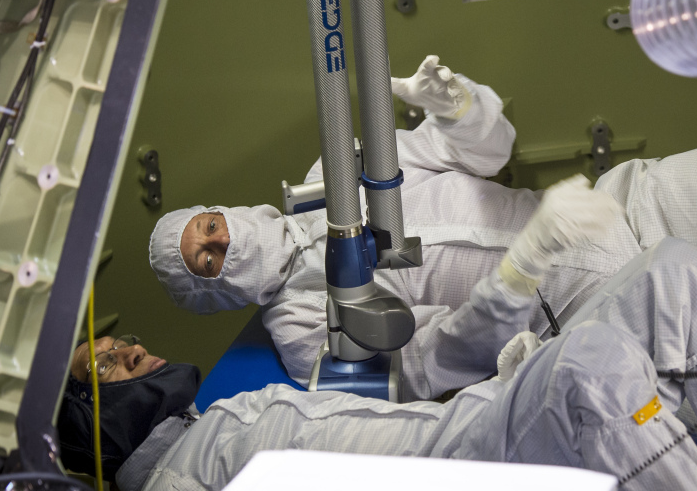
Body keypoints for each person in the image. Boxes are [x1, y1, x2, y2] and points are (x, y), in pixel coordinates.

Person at [60, 238, 697, 491]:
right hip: (471, 487)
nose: (130, 349)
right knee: (589, 371)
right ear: (96, 419)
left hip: (471, 420)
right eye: (109, 367)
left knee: (670, 273)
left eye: (118, 345)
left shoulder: (216, 417)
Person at [150, 56, 641, 401]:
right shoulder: (300, 330)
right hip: (583, 309)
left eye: (211, 226)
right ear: (213, 297)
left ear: (224, 210)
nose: (221, 239)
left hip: (620, 204)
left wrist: (461, 113)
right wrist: (518, 274)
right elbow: (422, 366)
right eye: (208, 259)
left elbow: (486, 153)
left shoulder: (333, 171)